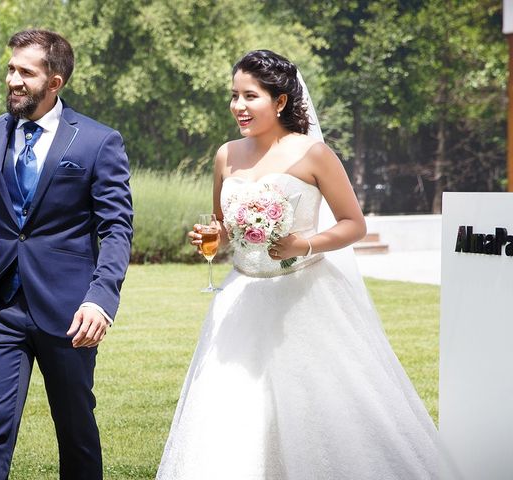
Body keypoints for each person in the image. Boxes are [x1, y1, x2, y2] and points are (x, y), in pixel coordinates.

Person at [156, 50, 439, 479]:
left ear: (281, 101)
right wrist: (208, 237)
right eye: (234, 96)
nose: (238, 106)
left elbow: (353, 224)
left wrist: (301, 243)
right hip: (241, 297)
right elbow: (224, 226)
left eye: (250, 96)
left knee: (317, 412)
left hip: (305, 297)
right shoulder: (226, 156)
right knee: (232, 410)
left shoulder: (314, 153)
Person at [0, 30, 133, 480]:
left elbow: (116, 229)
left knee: (76, 432)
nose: (13, 80)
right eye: (11, 69)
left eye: (26, 71)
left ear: (55, 82)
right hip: (0, 308)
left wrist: (101, 298)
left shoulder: (98, 142)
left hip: (71, 313)